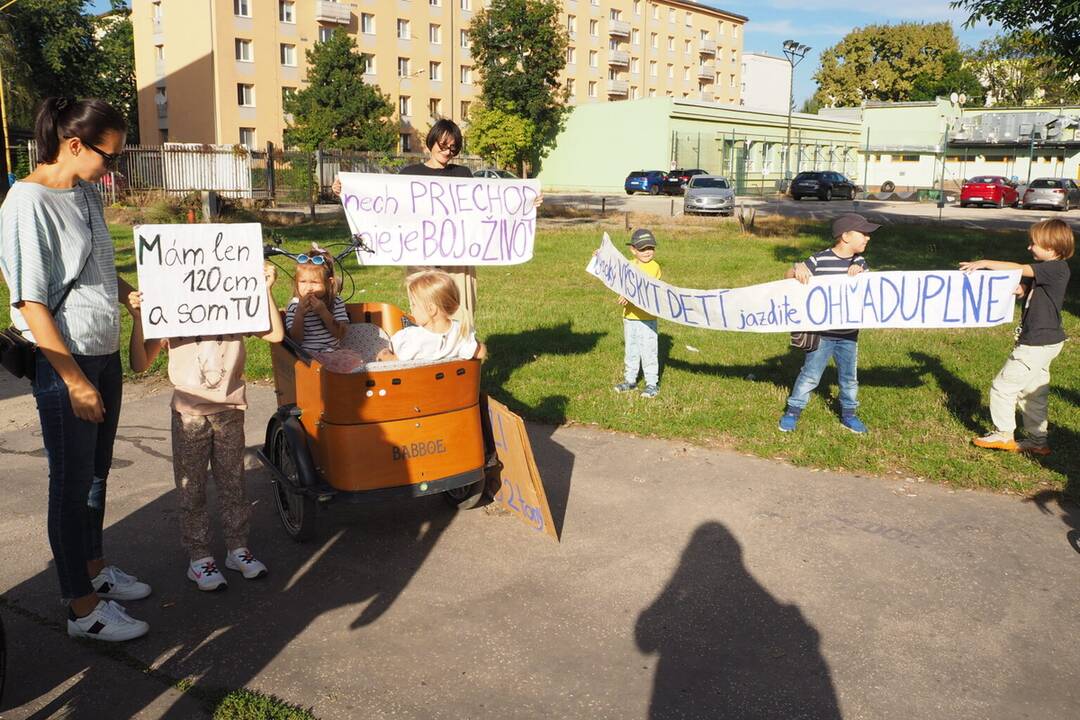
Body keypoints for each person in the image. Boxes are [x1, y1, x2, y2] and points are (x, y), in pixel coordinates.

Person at [0, 97, 150, 641]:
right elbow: (30, 302)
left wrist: (131, 296)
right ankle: (82, 610)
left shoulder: (84, 192)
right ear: (73, 145)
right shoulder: (26, 202)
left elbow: (97, 269)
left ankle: (94, 571)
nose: (114, 169)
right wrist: (74, 380)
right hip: (67, 363)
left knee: (96, 474)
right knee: (69, 485)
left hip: (103, 352)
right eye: (110, 158)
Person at [128, 264, 285, 592]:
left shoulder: (234, 307)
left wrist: (265, 290)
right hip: (189, 414)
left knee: (234, 484)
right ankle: (199, 558)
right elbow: (140, 363)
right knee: (191, 488)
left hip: (229, 410)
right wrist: (140, 316)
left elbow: (275, 335)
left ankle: (237, 549)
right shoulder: (171, 310)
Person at [960, 218, 1073, 455]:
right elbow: (1029, 285)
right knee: (1033, 392)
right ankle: (1037, 440)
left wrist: (985, 263)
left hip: (1037, 343)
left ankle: (1003, 434)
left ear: (1051, 248)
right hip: (1046, 341)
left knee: (1002, 387)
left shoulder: (1055, 268)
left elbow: (1019, 268)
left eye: (1034, 244)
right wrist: (1022, 290)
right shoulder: (1046, 270)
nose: (1029, 248)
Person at [778, 213, 877, 434]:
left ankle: (849, 415)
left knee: (849, 378)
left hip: (848, 335)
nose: (868, 238)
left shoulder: (860, 263)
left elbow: (870, 289)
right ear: (845, 236)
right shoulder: (819, 259)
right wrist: (797, 269)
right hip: (821, 334)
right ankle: (793, 411)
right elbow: (787, 277)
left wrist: (861, 275)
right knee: (810, 374)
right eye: (864, 233)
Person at [377, 269, 486, 363]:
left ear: (431, 309)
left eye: (414, 305)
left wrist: (384, 355)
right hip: (452, 384)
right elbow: (480, 353)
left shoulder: (415, 339)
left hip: (418, 384)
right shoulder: (460, 332)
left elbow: (396, 363)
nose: (411, 309)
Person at [613, 229, 663, 399]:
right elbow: (616, 269)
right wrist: (600, 256)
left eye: (650, 248)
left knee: (648, 351)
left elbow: (643, 286)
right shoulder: (629, 264)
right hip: (630, 317)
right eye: (642, 249)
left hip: (647, 318)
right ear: (633, 250)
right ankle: (630, 380)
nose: (647, 252)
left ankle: (652, 384)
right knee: (631, 350)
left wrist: (628, 296)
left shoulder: (654, 267)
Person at [285, 254, 349, 354]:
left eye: (314, 282)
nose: (308, 287)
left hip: (332, 354)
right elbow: (296, 339)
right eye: (303, 281)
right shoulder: (294, 305)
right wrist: (299, 314)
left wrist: (323, 312)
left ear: (329, 282)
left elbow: (340, 334)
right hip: (306, 355)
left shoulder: (335, 301)